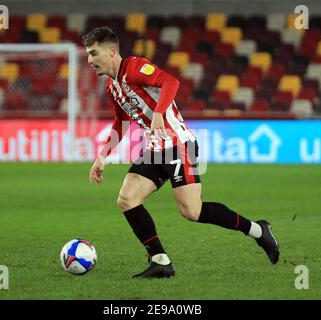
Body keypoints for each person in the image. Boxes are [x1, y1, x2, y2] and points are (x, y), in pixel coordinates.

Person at [84, 27, 279, 278]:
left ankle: (258, 230)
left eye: (93, 53)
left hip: (178, 145)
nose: (89, 60)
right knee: (127, 198)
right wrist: (102, 156)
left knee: (191, 211)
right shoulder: (113, 87)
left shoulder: (135, 68)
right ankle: (160, 260)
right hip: (155, 149)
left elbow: (170, 82)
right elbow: (120, 122)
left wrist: (157, 113)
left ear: (111, 51)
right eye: (88, 54)